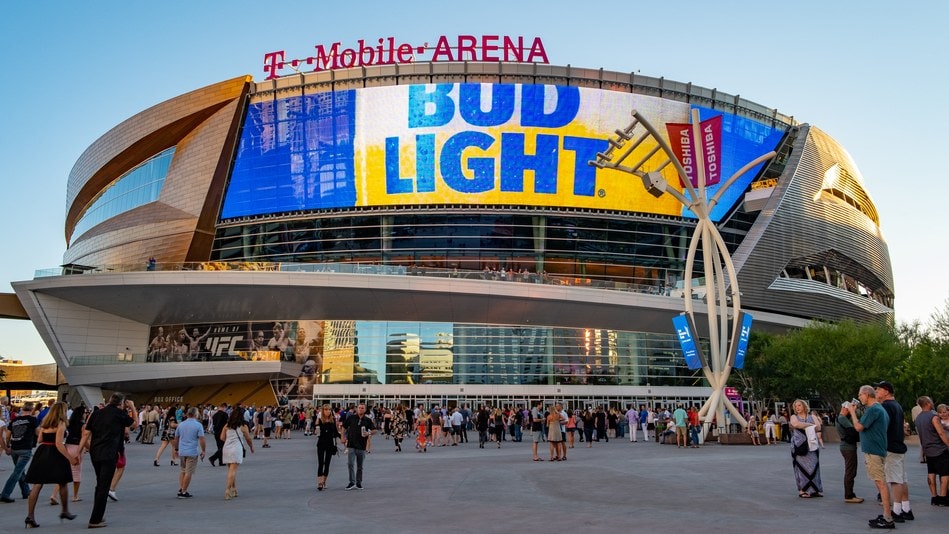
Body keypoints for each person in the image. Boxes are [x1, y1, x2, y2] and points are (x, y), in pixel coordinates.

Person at [78, 394, 137, 529]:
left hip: (95, 452)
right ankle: (95, 519)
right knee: (104, 486)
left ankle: (97, 515)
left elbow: (86, 433)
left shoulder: (96, 413)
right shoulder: (118, 413)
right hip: (109, 453)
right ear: (121, 403)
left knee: (100, 484)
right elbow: (134, 424)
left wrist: (79, 451)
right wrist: (133, 408)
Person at [23, 402, 77, 527]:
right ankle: (65, 511)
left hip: (42, 452)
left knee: (37, 484)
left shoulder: (44, 424)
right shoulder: (61, 423)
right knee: (63, 481)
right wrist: (70, 458)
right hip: (55, 453)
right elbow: (59, 443)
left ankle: (30, 516)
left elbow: (40, 440)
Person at [850, 385, 894, 529]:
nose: (859, 397)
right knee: (880, 482)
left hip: (874, 451)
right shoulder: (880, 408)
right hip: (878, 449)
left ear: (867, 394)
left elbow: (858, 427)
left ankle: (888, 517)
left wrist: (852, 412)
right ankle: (887, 514)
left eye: (860, 395)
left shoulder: (873, 409)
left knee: (881, 483)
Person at [874, 381, 913, 522]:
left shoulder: (885, 406)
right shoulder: (897, 406)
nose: (876, 392)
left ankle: (896, 512)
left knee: (895, 480)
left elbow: (882, 427)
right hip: (898, 445)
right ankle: (906, 508)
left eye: (878, 390)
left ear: (886, 391)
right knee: (901, 478)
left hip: (890, 447)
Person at [1, 401, 38, 504]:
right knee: (17, 472)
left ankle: (25, 491)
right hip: (25, 449)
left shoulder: (14, 420)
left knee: (20, 470)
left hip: (14, 449)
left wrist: (8, 447)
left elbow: (8, 435)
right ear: (31, 409)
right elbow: (38, 432)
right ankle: (5, 494)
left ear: (23, 409)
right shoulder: (32, 420)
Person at [914, 396, 949, 506]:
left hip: (928, 450)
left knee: (931, 472)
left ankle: (934, 497)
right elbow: (941, 432)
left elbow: (921, 436)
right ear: (928, 403)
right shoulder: (933, 416)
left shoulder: (918, 418)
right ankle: (943, 498)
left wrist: (924, 449)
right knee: (945, 473)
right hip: (939, 449)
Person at [789, 399, 822, 498]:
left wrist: (806, 426)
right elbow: (796, 424)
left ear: (804, 406)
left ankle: (814, 490)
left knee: (814, 467)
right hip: (799, 445)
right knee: (801, 468)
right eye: (795, 406)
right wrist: (811, 426)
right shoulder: (794, 417)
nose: (797, 408)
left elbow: (819, 427)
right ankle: (803, 490)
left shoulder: (812, 416)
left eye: (799, 405)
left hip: (811, 445)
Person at [172, 406, 206, 499]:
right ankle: (183, 491)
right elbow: (202, 439)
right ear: (196, 414)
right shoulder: (198, 425)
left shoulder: (181, 424)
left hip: (182, 451)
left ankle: (181, 487)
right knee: (188, 472)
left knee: (183, 470)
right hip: (192, 451)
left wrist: (176, 449)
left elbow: (176, 438)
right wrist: (203, 450)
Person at [220, 407, 253, 499]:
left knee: (230, 470)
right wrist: (251, 447)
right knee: (233, 471)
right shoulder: (243, 426)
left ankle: (234, 489)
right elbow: (248, 439)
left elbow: (222, 438)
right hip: (236, 449)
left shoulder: (227, 425)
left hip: (226, 448)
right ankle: (227, 490)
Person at [341, 403, 374, 490]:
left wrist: (368, 433)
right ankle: (352, 482)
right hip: (351, 444)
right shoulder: (351, 418)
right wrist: (342, 437)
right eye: (359, 408)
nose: (360, 409)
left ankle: (358, 482)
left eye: (362, 408)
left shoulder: (367, 420)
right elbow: (344, 427)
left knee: (360, 466)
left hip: (361, 446)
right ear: (356, 409)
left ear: (365, 409)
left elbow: (374, 430)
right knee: (350, 464)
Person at [836, 402, 863, 503]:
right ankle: (849, 495)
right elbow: (853, 430)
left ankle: (850, 494)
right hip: (848, 447)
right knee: (850, 471)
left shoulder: (840, 418)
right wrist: (853, 413)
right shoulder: (842, 418)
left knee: (850, 470)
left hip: (846, 446)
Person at [315, 404, 340, 490]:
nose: (328, 411)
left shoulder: (333, 421)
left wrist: (344, 438)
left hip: (330, 444)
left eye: (329, 410)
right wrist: (316, 430)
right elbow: (317, 432)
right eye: (326, 410)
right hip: (321, 444)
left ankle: (324, 481)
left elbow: (336, 433)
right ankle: (320, 482)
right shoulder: (319, 420)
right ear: (323, 411)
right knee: (321, 463)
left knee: (327, 464)